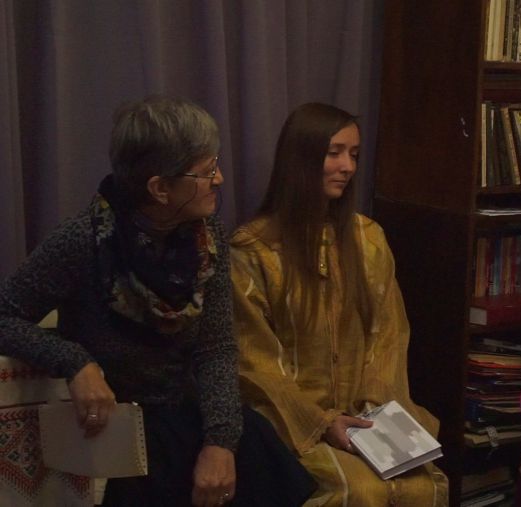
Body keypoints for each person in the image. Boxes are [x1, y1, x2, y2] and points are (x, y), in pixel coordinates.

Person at [0, 96, 313, 506]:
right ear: (160, 188)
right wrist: (75, 361)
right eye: (206, 171)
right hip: (123, 434)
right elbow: (5, 316)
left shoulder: (208, 238)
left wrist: (221, 442)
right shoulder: (82, 242)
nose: (219, 179)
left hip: (192, 415)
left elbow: (216, 348)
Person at [230, 103, 449, 507]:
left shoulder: (368, 239)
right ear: (301, 157)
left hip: (366, 416)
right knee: (359, 492)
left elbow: (388, 337)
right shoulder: (254, 250)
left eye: (354, 154)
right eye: (334, 153)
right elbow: (256, 362)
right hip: (294, 423)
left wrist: (377, 414)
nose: (347, 167)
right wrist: (322, 421)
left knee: (422, 487)